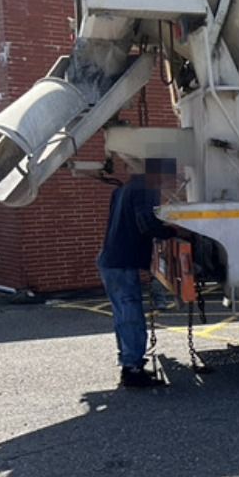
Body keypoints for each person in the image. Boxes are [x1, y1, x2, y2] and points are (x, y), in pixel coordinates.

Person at [96, 158, 177, 388]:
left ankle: (128, 363)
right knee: (131, 315)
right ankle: (132, 370)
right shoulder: (146, 188)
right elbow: (147, 224)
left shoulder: (122, 190)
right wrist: (173, 231)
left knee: (123, 315)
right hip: (122, 262)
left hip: (110, 260)